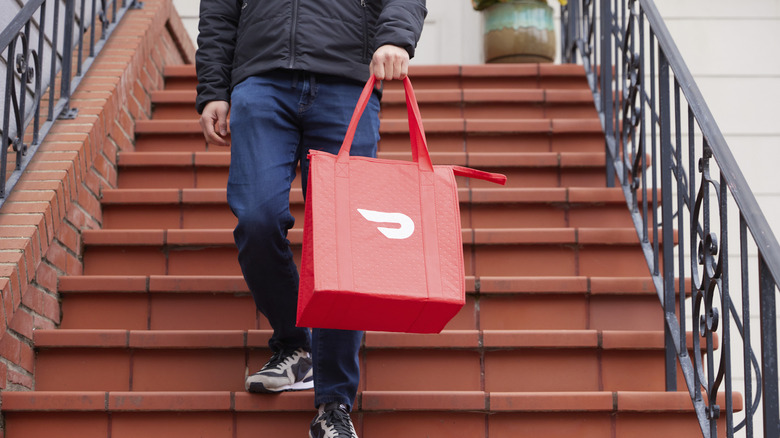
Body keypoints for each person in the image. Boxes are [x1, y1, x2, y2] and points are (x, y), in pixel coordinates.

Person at [195, 1, 427, 437]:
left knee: (345, 242)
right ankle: (295, 340)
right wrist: (213, 89)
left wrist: (395, 37)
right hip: (260, 79)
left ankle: (333, 404)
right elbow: (219, 11)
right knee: (256, 218)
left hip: (346, 83)